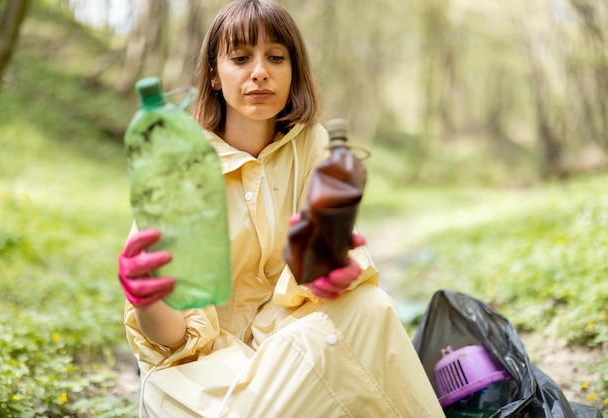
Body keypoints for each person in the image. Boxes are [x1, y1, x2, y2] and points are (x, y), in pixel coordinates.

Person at [118, 0, 445, 416]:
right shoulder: (180, 161)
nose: (260, 72)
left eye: (276, 57)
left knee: (370, 307)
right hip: (200, 373)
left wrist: (330, 271)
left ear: (294, 71)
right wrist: (146, 299)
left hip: (287, 342)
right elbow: (172, 340)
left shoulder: (312, 145)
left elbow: (323, 274)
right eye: (240, 58)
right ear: (215, 75)